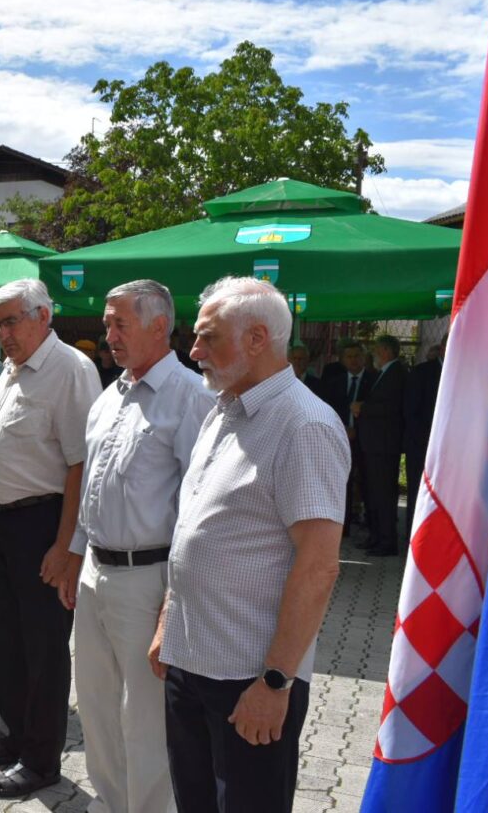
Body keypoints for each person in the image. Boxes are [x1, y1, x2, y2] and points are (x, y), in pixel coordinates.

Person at [150, 276, 349, 813]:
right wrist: (169, 622)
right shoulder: (224, 408)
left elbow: (318, 566)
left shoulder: (305, 425)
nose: (193, 352)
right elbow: (193, 526)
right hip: (191, 660)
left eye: (208, 338)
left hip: (249, 680)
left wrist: (276, 683)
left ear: (258, 339)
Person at [65, 280, 212, 813]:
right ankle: (109, 801)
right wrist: (76, 555)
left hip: (148, 581)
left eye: (118, 324)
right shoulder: (110, 395)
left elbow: (197, 509)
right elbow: (91, 489)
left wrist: (175, 600)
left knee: (145, 717)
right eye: (107, 324)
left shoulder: (191, 397)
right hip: (96, 574)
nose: (108, 335)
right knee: (98, 704)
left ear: (159, 326)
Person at [0, 279, 101, 799]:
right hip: (3, 523)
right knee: (3, 640)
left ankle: (41, 760)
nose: (2, 332)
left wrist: (68, 547)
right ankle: (12, 736)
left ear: (43, 315)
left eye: (10, 320)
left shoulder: (69, 369)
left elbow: (80, 463)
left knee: (42, 647)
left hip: (45, 525)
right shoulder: (12, 369)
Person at [354, 334, 406, 556]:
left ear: (386, 351)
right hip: (374, 444)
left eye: (376, 350)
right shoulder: (385, 374)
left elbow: (392, 407)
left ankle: (387, 540)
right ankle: (376, 536)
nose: (373, 355)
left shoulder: (397, 374)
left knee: (383, 494)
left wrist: (363, 408)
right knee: (374, 492)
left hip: (384, 446)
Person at [326, 341, 374, 538]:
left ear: (364, 358)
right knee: (340, 483)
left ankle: (370, 525)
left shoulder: (374, 380)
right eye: (349, 356)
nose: (353, 360)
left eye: (357, 356)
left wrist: (357, 428)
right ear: (343, 360)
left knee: (367, 482)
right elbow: (328, 409)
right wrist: (343, 428)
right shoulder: (333, 382)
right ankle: (341, 527)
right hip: (340, 439)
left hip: (366, 441)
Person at [403, 337, 445, 540]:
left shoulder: (469, 370)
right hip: (422, 446)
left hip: (453, 451)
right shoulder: (422, 373)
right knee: (418, 493)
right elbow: (411, 412)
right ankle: (416, 537)